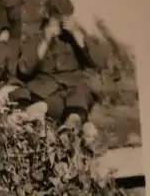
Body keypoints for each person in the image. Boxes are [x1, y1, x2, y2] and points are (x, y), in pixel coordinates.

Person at [16, 15, 107, 143]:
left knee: (80, 95)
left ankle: (71, 128)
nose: (59, 24)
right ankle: (51, 127)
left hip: (73, 90)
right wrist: (46, 40)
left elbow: (97, 62)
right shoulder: (35, 38)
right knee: (40, 105)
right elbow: (25, 69)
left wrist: (76, 33)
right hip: (46, 91)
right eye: (54, 21)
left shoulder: (74, 37)